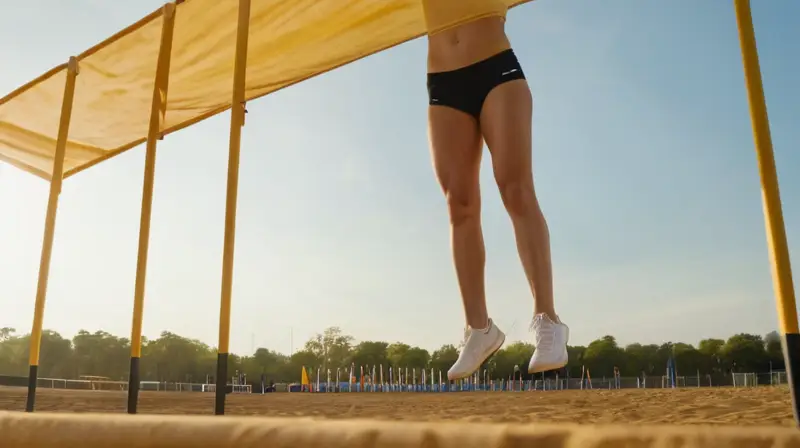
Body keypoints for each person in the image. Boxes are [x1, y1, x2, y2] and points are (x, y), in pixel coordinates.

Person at [422, 0, 569, 380]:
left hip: (496, 69)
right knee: (459, 204)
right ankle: (479, 330)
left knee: (516, 189)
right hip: (442, 81)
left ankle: (548, 321)